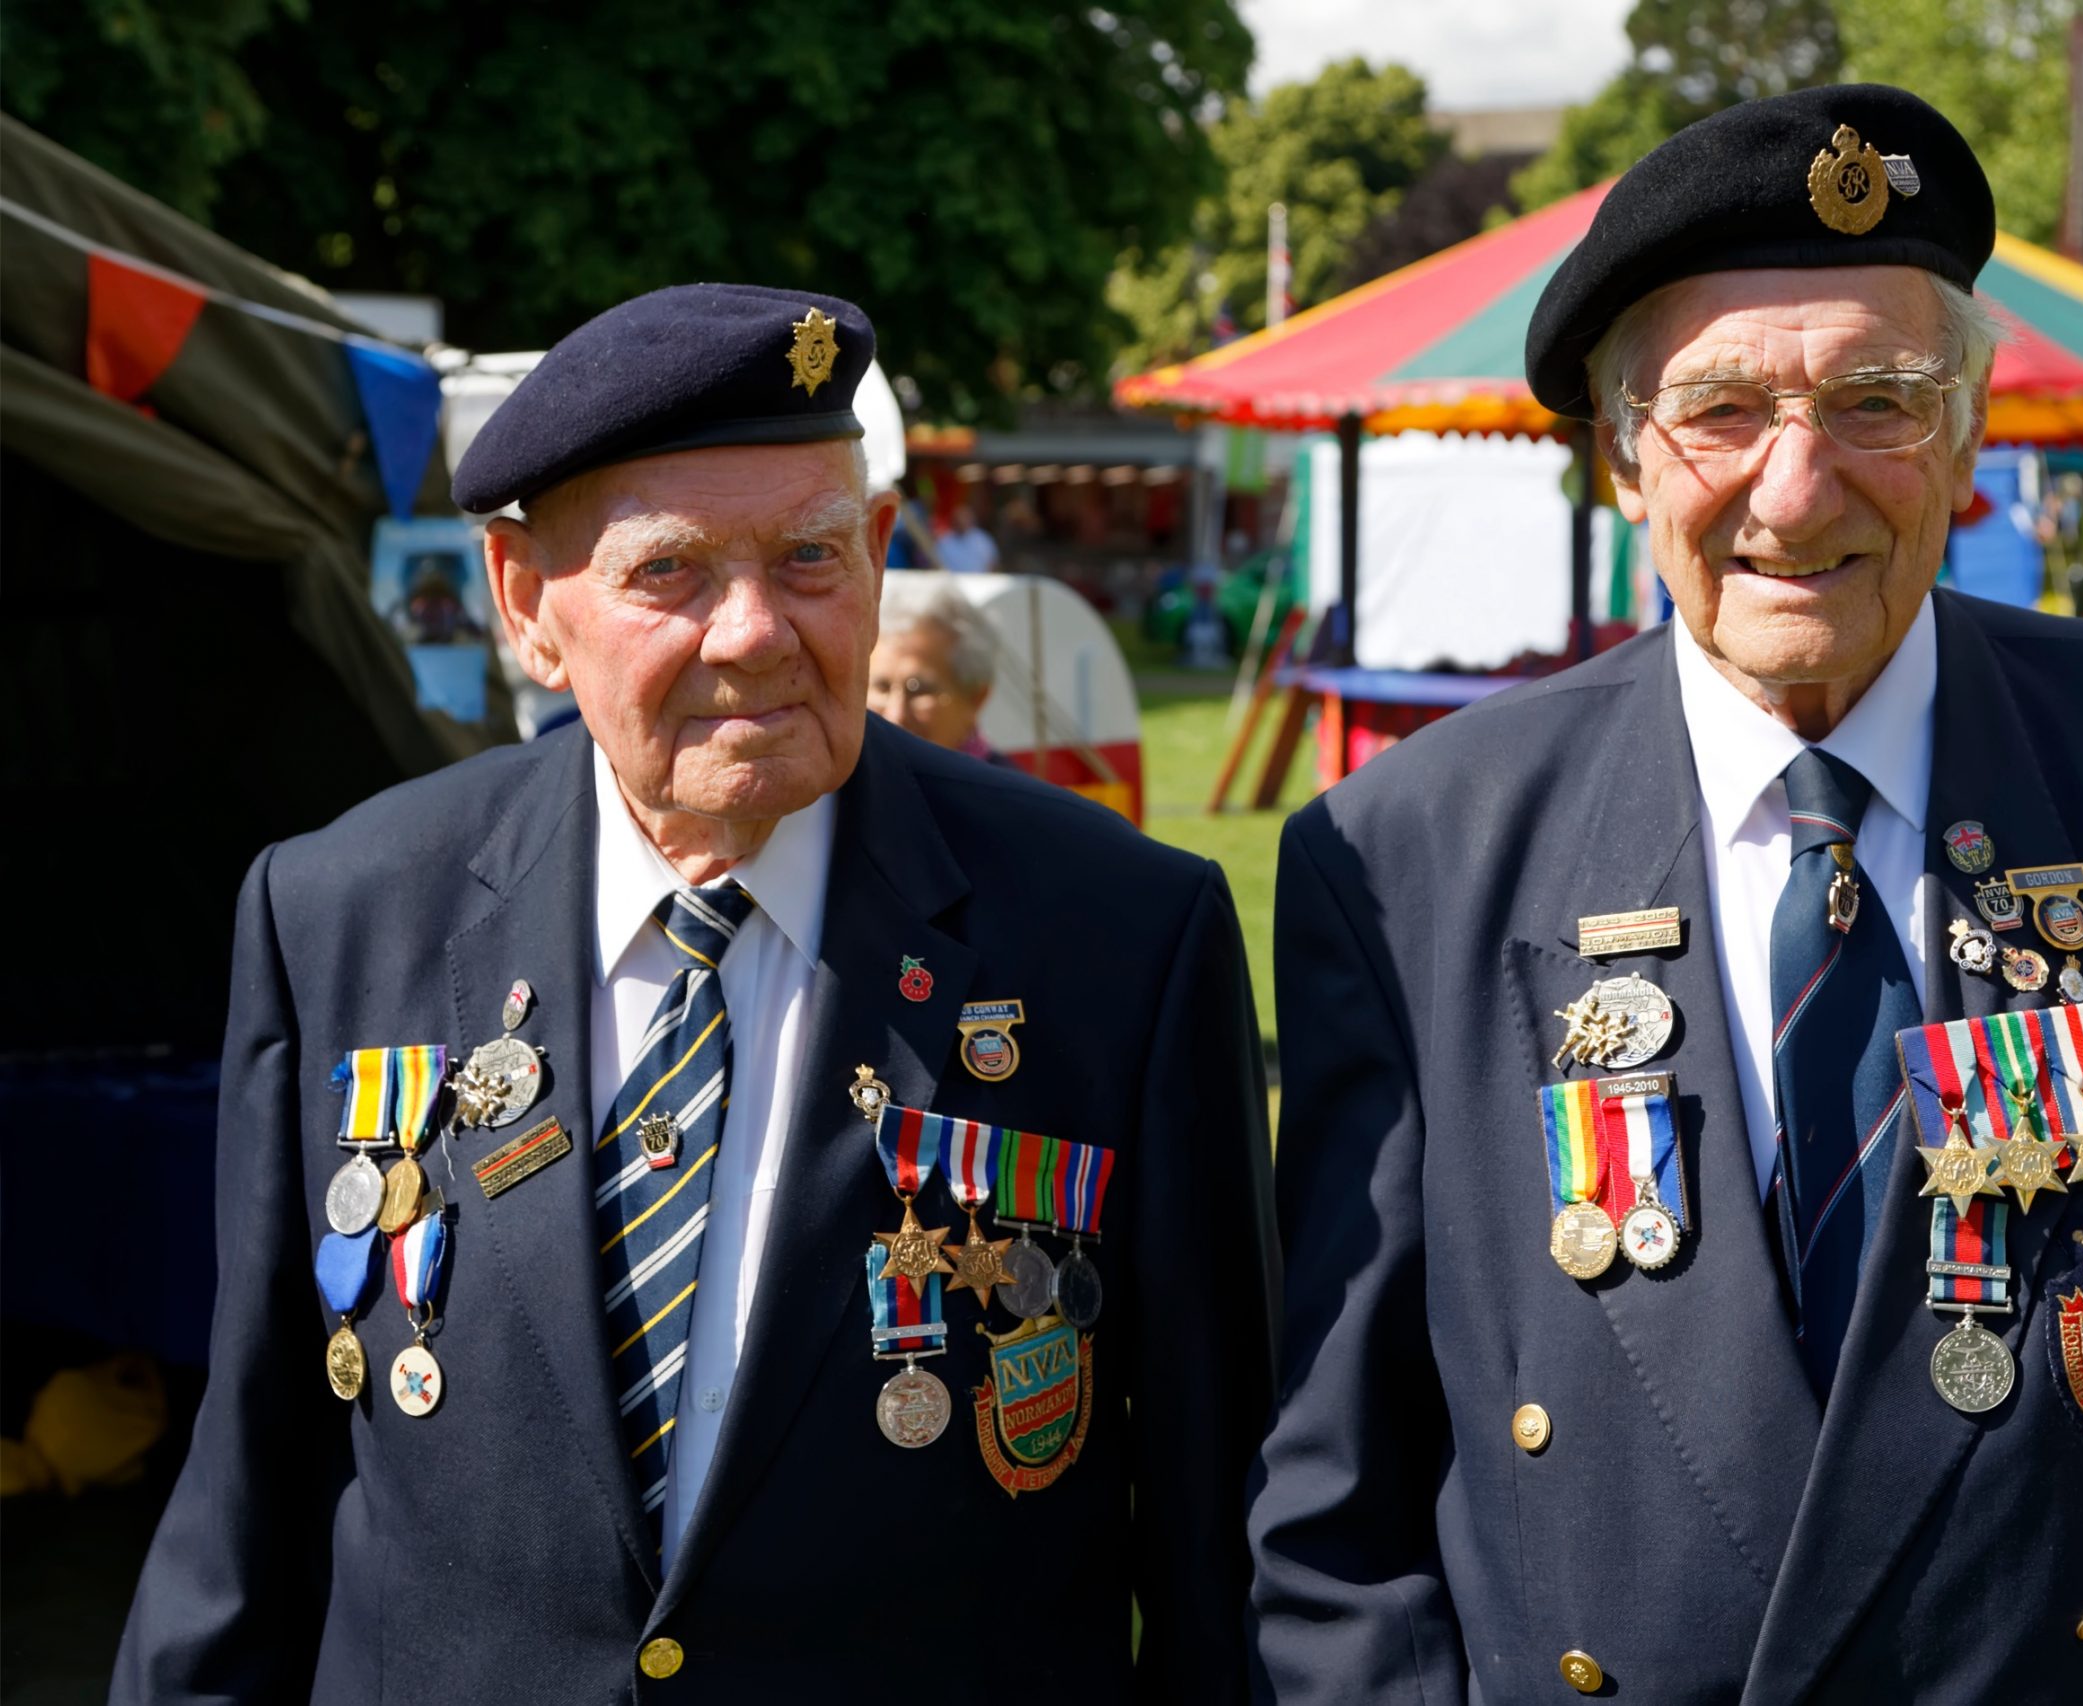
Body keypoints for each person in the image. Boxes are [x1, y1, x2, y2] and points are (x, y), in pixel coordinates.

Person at [1248, 87, 2083, 1704]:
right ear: (1620, 454)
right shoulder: (1407, 856)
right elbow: (1339, 1524)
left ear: (1967, 433)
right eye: (1721, 411)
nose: (1799, 490)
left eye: (1879, 400)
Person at [114, 284, 1275, 1704]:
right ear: (528, 604)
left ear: (881, 554)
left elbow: (1225, 1543)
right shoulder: (344, 910)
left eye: (808, 554)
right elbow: (249, 1490)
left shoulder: (1118, 936)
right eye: (669, 572)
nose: (754, 631)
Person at [870, 573, 1000, 754]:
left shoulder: (995, 781)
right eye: (881, 687)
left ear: (976, 699)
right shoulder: (838, 778)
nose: (895, 716)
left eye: (918, 691)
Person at [936, 503, 1000, 574]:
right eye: (959, 519)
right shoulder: (945, 541)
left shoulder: (982, 539)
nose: (962, 522)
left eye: (965, 518)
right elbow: (937, 563)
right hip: (952, 581)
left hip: (980, 581)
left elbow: (993, 562)